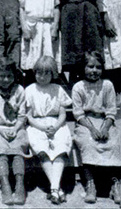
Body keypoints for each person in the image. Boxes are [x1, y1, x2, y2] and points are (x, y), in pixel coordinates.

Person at [72, 51, 121, 204]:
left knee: (113, 142)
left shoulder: (107, 85)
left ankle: (115, 184)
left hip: (104, 121)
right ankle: (90, 184)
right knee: (88, 143)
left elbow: (111, 110)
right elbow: (78, 113)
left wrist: (106, 128)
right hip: (85, 122)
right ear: (83, 68)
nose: (94, 70)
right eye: (90, 66)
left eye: (98, 67)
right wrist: (92, 129)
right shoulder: (78, 87)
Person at [25, 55, 72, 204]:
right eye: (39, 73)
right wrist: (42, 128)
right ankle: (56, 188)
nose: (42, 77)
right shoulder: (30, 90)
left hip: (56, 124)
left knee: (60, 148)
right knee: (43, 150)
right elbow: (29, 116)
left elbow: (62, 113)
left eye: (47, 73)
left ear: (53, 74)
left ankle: (53, 188)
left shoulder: (58, 89)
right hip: (37, 125)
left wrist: (56, 127)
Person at [0, 57, 29, 205]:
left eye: (9, 76)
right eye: (2, 76)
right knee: (1, 151)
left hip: (16, 128)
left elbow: (22, 116)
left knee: (18, 150)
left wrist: (15, 129)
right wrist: (1, 131)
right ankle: (5, 185)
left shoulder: (19, 90)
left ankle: (19, 184)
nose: (6, 79)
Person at [18, 0, 61, 85]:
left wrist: (55, 28)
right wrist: (24, 27)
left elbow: (56, 7)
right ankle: (31, 89)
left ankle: (51, 89)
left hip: (48, 27)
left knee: (49, 59)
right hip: (31, 28)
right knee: (31, 60)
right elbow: (22, 8)